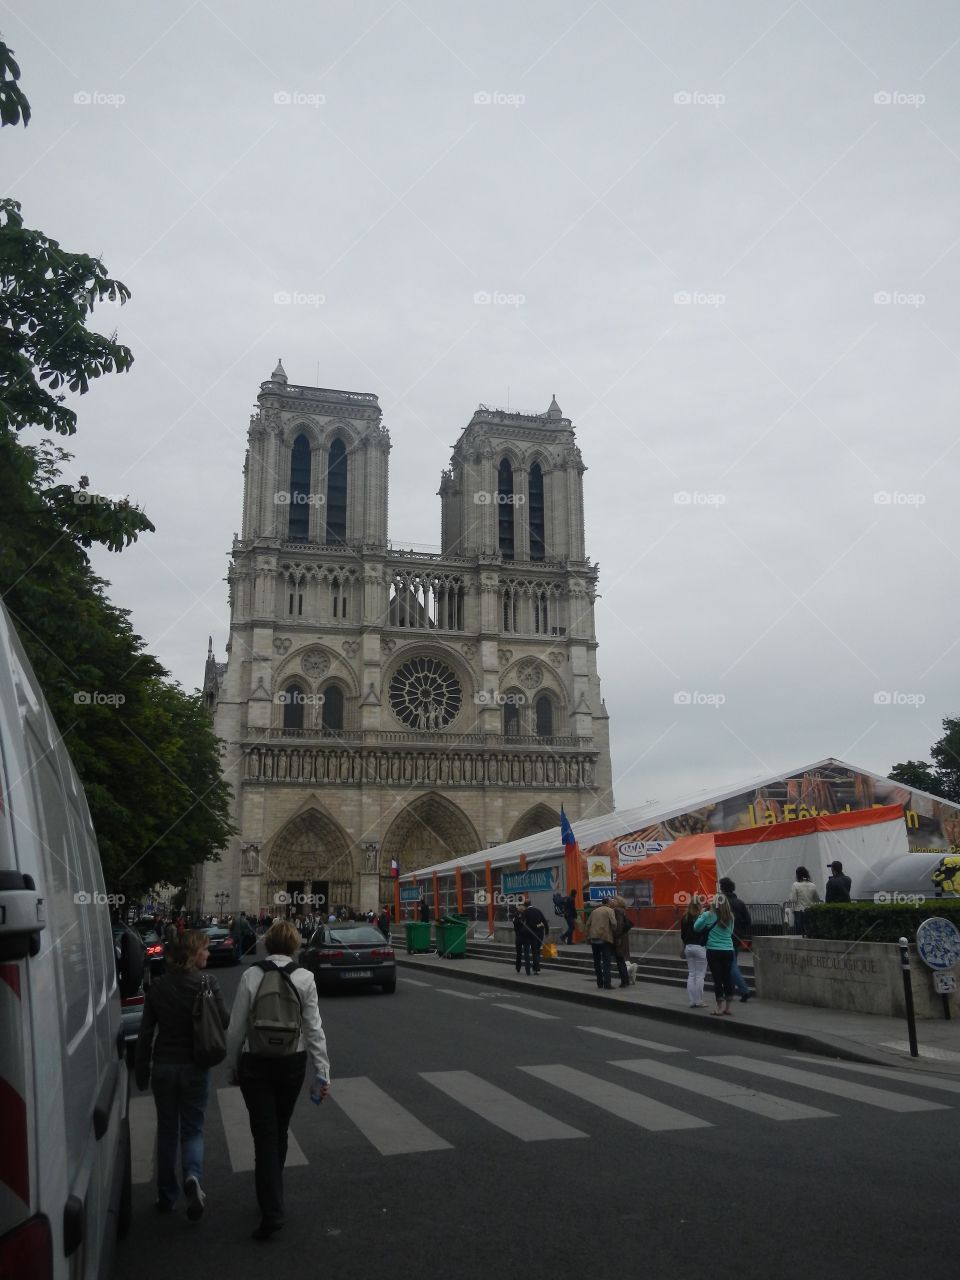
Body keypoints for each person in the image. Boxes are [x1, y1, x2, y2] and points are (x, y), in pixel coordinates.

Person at [226, 920, 331, 1242]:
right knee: (279, 1128)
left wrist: (233, 1066)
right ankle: (274, 1192)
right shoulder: (305, 977)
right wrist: (322, 1071)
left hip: (255, 1062)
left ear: (266, 944)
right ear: (296, 945)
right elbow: (314, 1028)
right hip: (292, 1062)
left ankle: (271, 1206)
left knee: (264, 1135)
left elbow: (235, 1029)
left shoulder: (251, 975)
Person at [135, 930, 228, 1219]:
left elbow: (146, 1033)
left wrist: (141, 1071)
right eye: (204, 950)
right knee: (193, 1129)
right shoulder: (207, 982)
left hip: (163, 1067)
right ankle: (192, 1177)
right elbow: (223, 1021)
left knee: (166, 1131)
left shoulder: (158, 986)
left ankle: (166, 1196)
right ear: (192, 954)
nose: (209, 954)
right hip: (195, 1066)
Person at [694, 894, 736, 1016]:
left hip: (713, 950)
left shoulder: (708, 915)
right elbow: (731, 932)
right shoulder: (731, 916)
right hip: (728, 950)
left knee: (717, 979)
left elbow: (696, 928)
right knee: (727, 977)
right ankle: (728, 1008)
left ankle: (719, 1008)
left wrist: (702, 914)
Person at [719, 876, 754, 1003]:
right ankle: (730, 990)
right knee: (731, 963)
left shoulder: (721, 903)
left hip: (724, 937)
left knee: (730, 964)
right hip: (737, 936)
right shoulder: (740, 902)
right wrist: (740, 930)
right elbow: (748, 921)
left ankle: (744, 990)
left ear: (722, 888)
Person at [679, 894, 708, 1007]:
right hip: (699, 947)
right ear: (700, 905)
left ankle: (692, 1001)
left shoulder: (685, 917)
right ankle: (699, 1000)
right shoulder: (701, 917)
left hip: (688, 947)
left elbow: (682, 934)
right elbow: (705, 931)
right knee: (700, 975)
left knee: (691, 974)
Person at [586, 897, 618, 989]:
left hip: (594, 939)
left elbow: (588, 924)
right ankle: (607, 983)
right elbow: (614, 924)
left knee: (597, 962)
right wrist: (614, 932)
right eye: (611, 902)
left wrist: (588, 936)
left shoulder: (594, 911)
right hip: (604, 938)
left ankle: (599, 982)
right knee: (606, 961)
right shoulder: (609, 910)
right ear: (608, 903)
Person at [786, 866, 821, 936]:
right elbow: (817, 899)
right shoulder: (813, 885)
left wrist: (789, 899)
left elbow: (794, 899)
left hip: (799, 911)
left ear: (797, 875)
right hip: (810, 910)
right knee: (810, 930)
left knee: (800, 932)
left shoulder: (795, 885)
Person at [517, 898, 549, 974]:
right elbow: (544, 921)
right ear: (531, 904)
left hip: (532, 934)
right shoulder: (538, 910)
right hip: (540, 933)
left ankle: (535, 969)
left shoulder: (526, 912)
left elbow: (521, 922)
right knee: (537, 951)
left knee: (534, 951)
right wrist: (547, 932)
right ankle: (536, 968)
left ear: (525, 905)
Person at [609, 894, 632, 988]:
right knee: (621, 960)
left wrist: (615, 935)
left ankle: (624, 981)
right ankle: (626, 980)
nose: (612, 902)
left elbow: (619, 925)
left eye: (614, 900)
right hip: (623, 938)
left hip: (619, 939)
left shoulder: (617, 910)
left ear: (618, 902)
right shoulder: (623, 910)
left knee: (620, 961)